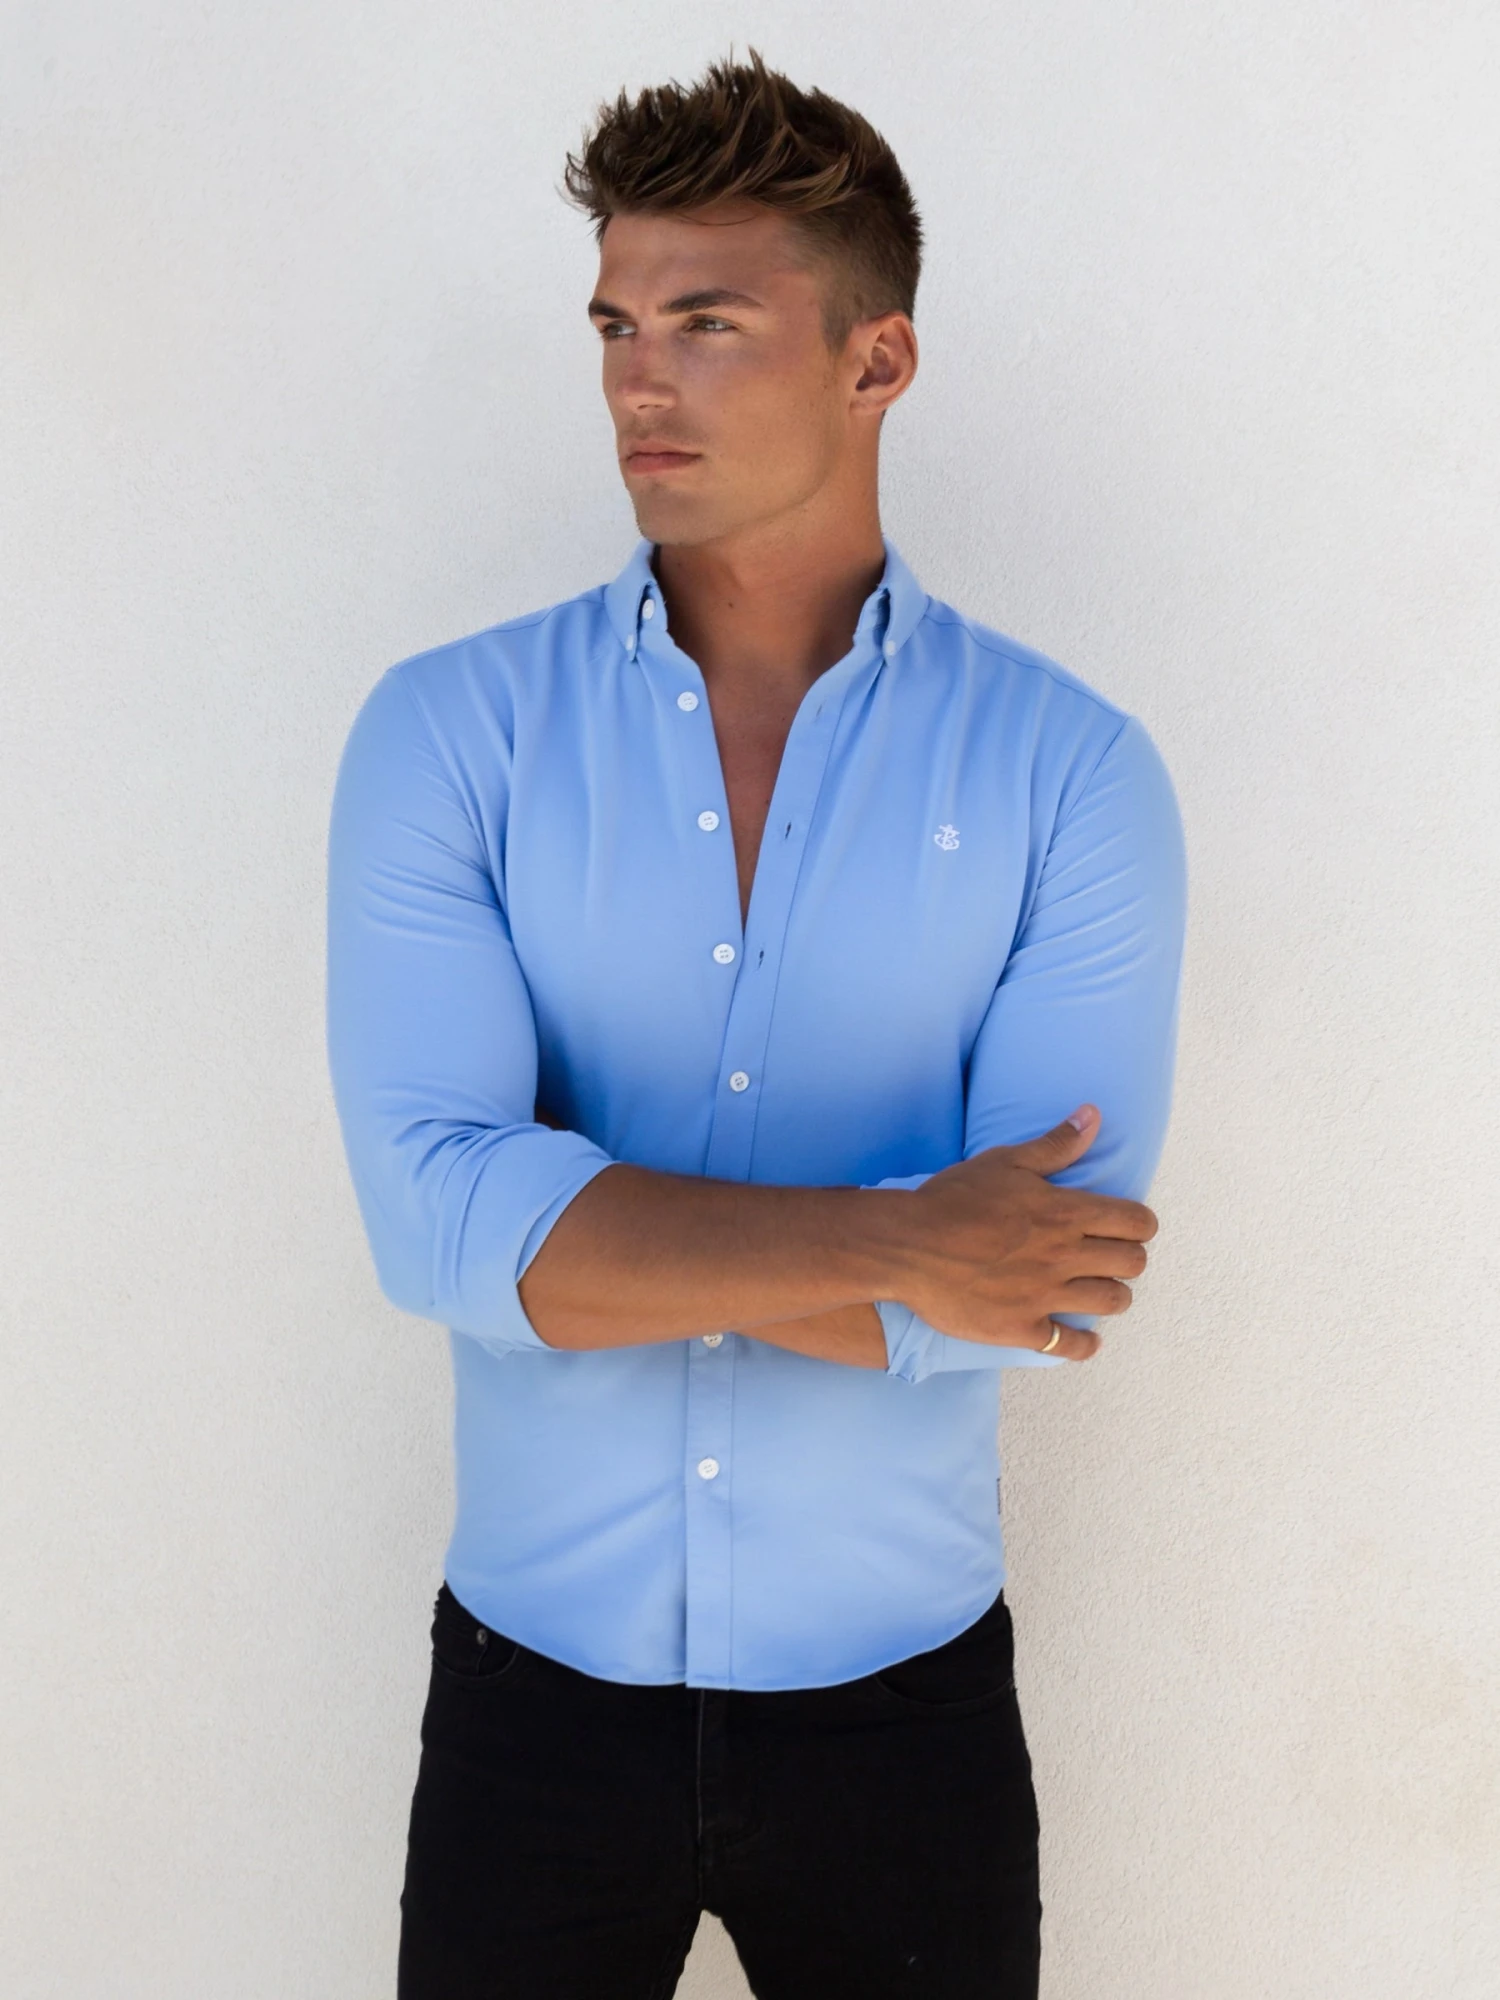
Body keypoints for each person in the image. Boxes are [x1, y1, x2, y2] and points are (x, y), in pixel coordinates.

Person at [325, 45, 1186, 2000]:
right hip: (532, 1710)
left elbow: (1036, 1288)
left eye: (708, 323)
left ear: (879, 361)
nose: (640, 382)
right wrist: (901, 1237)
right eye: (616, 325)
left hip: (906, 1721)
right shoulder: (452, 737)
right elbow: (442, 1230)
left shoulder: (1071, 775)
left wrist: (596, 1236)